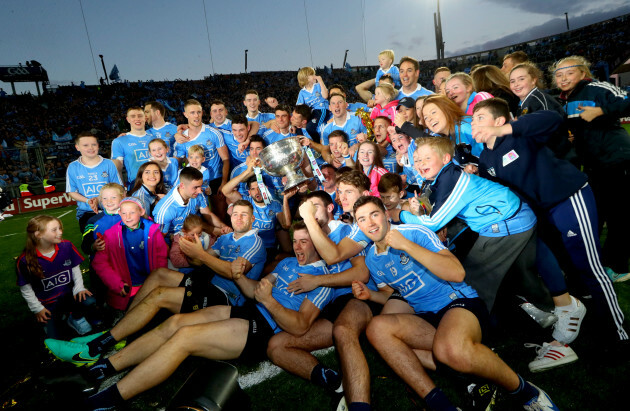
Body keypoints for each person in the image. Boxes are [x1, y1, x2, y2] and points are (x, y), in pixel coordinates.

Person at [73, 222, 333, 410]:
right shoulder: (287, 264)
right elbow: (255, 292)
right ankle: (105, 367)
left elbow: (299, 326)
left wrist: (269, 301)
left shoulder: (321, 280)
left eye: (305, 241)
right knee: (174, 322)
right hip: (249, 309)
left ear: (318, 244)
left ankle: (109, 400)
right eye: (295, 240)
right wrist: (240, 273)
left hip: (262, 328)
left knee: (184, 338)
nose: (297, 246)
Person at [351, 195, 559, 411]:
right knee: (377, 330)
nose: (370, 223)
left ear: (385, 215)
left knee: (449, 350)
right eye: (362, 219)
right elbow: (393, 294)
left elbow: (457, 273)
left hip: (458, 303)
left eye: (374, 214)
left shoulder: (414, 232)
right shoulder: (372, 260)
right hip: (426, 316)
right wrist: (370, 295)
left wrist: (406, 246)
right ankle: (446, 403)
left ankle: (528, 393)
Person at [472, 98, 628, 367]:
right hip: (542, 213)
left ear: (499, 121)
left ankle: (619, 334)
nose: (475, 124)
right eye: (473, 120)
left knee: (589, 267)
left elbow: (552, 119)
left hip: (567, 198)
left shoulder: (520, 133)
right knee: (565, 265)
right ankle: (585, 320)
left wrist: (508, 129)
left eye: (481, 118)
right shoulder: (486, 158)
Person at [45, 200, 267, 368]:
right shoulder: (227, 238)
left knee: (160, 294)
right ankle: (122, 332)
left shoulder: (255, 242)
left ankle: (96, 348)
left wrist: (202, 255)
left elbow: (230, 272)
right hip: (207, 282)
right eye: (235, 214)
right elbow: (202, 261)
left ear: (252, 220)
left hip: (225, 297)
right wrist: (190, 250)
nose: (238, 218)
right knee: (160, 274)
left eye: (244, 215)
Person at [552, 55, 630, 278]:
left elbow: (626, 99)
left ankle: (618, 268)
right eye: (559, 74)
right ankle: (600, 263)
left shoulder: (595, 87)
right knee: (598, 214)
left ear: (583, 73)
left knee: (619, 217)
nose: (564, 78)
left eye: (569, 72)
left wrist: (601, 111)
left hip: (616, 159)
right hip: (595, 165)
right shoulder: (566, 99)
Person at [17, 215, 97, 339]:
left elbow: (75, 267)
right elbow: (25, 288)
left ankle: (76, 317)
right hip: (47, 304)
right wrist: (37, 308)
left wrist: (79, 288)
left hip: (69, 296)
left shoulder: (66, 246)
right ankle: (57, 318)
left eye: (60, 228)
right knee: (53, 337)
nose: (60, 232)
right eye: (54, 230)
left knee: (89, 300)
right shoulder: (24, 260)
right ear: (38, 235)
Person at [92, 197, 168, 311]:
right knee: (130, 316)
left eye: (132, 212)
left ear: (141, 212)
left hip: (150, 285)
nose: (127, 217)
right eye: (123, 213)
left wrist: (159, 279)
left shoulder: (153, 231)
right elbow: (99, 263)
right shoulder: (111, 234)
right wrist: (116, 284)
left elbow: (161, 257)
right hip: (126, 288)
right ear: (119, 213)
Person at [222, 157, 294, 261]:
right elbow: (225, 191)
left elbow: (286, 224)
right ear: (249, 192)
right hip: (246, 246)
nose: (257, 192)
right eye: (253, 189)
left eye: (260, 187)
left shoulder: (275, 205)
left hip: (267, 249)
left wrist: (285, 199)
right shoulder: (246, 202)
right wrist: (247, 171)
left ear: (266, 188)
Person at [66, 131, 123, 232]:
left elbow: (118, 188)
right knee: (92, 245)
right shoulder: (73, 167)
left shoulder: (108, 164)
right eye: (85, 145)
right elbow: (71, 191)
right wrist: (88, 201)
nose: (90, 148)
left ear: (98, 146)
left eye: (94, 144)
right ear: (77, 147)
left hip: (111, 210)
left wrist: (98, 199)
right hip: (86, 212)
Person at [173, 99, 230, 199]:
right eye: (192, 112)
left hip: (214, 179)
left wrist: (224, 182)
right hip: (192, 182)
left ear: (202, 113)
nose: (196, 116)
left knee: (219, 212)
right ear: (185, 114)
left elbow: (225, 159)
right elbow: (176, 163)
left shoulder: (214, 133)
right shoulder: (181, 138)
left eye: (198, 112)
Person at [153, 167, 229, 240]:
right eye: (195, 187)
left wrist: (223, 226)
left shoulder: (197, 193)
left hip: (195, 231)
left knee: (224, 233)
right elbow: (160, 238)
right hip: (174, 240)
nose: (200, 191)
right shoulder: (165, 209)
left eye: (200, 186)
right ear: (182, 185)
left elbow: (208, 215)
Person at [421, 95, 483, 168]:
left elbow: (489, 158)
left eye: (433, 112)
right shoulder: (442, 138)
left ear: (447, 109)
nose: (430, 119)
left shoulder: (466, 127)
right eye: (426, 118)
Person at [111, 107, 153, 188]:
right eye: (133, 116)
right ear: (128, 119)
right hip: (135, 185)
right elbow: (117, 169)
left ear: (145, 118)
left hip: (157, 183)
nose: (137, 119)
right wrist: (122, 188)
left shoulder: (155, 139)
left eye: (140, 116)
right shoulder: (119, 141)